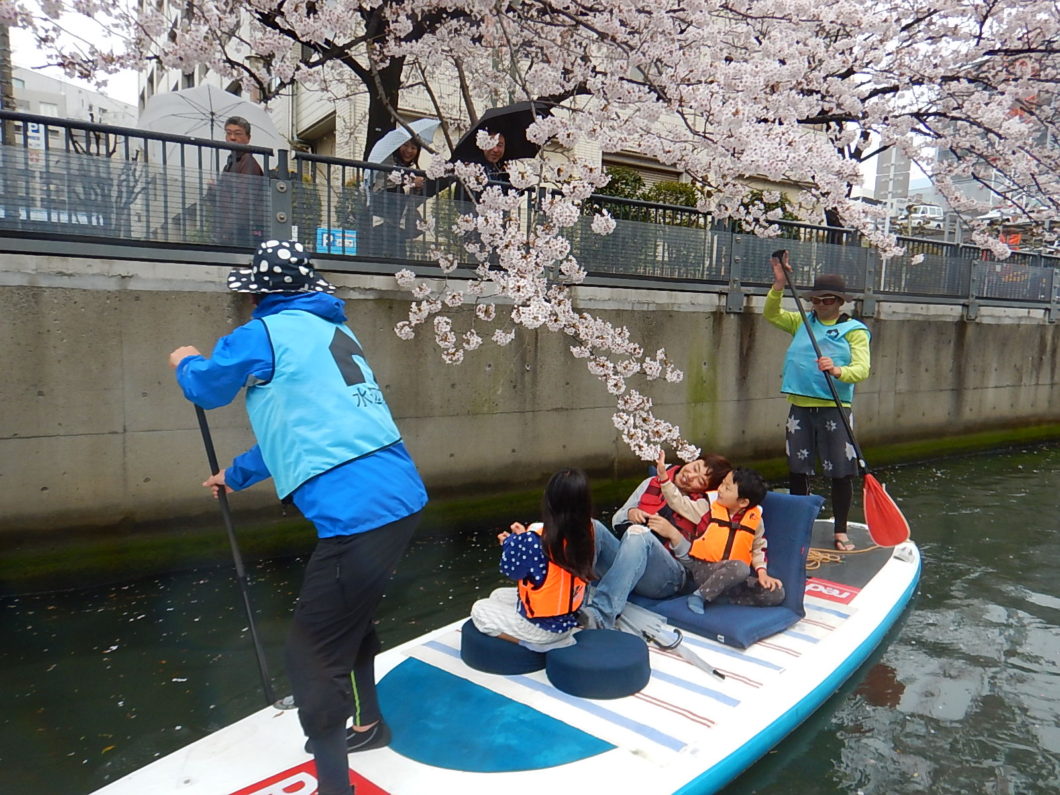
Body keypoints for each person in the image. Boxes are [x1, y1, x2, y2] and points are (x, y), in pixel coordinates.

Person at [168, 240, 427, 795]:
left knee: (310, 654)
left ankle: (336, 785)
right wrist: (234, 475)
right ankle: (369, 723)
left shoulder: (265, 333)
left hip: (357, 514)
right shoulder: (334, 331)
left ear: (260, 294)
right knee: (348, 621)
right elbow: (300, 430)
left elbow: (206, 387)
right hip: (399, 498)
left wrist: (184, 361)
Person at [766, 251, 871, 551]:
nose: (821, 305)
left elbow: (862, 369)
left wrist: (837, 369)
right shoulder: (802, 321)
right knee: (798, 468)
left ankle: (840, 529)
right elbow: (771, 314)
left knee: (840, 469)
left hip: (834, 408)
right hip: (800, 405)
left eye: (828, 300)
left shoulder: (854, 331)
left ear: (840, 302)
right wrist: (778, 285)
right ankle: (800, 525)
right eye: (816, 300)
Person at [577, 452, 731, 630]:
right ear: (691, 460)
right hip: (629, 562)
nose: (690, 476)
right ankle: (575, 600)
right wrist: (630, 514)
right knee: (591, 526)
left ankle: (601, 616)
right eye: (695, 468)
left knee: (639, 533)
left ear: (707, 490)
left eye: (700, 481)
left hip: (667, 579)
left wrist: (673, 534)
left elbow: (697, 565)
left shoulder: (705, 510)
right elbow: (617, 519)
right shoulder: (651, 482)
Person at [470, 469, 597, 650]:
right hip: (566, 618)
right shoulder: (586, 532)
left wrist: (510, 543)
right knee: (497, 595)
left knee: (479, 609)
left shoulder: (534, 540)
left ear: (550, 501)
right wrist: (522, 539)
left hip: (542, 629)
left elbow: (511, 570)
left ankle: (531, 645)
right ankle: (553, 638)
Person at [647, 468, 784, 614]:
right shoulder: (707, 508)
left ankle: (721, 598)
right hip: (703, 570)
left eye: (727, 488)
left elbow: (758, 549)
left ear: (743, 502)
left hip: (734, 578)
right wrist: (664, 479)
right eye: (722, 483)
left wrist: (762, 573)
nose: (720, 489)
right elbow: (678, 503)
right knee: (741, 568)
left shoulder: (756, 521)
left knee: (776, 593)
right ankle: (699, 596)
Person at [365, 138, 426, 257]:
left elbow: (410, 201)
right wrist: (411, 184)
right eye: (405, 145)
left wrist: (415, 188)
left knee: (400, 265)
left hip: (399, 226)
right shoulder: (386, 166)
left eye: (413, 148)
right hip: (381, 223)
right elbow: (386, 192)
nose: (409, 150)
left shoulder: (410, 171)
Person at [214, 116, 265, 247]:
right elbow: (223, 200)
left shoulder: (248, 163)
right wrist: (212, 190)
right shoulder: (230, 163)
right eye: (228, 133)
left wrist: (226, 231)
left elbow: (244, 202)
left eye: (237, 134)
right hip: (232, 233)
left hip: (243, 234)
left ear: (248, 138)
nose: (232, 137)